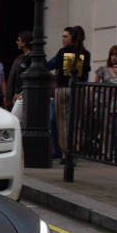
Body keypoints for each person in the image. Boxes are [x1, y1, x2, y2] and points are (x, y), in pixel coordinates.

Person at [48, 27, 91, 161]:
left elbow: (53, 64)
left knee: (62, 122)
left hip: (62, 88)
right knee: (76, 121)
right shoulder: (85, 53)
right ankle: (75, 150)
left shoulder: (63, 51)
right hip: (77, 89)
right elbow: (86, 72)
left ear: (71, 37)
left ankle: (65, 153)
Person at [5, 31, 34, 112]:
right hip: (19, 93)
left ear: (24, 42)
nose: (17, 42)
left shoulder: (31, 57)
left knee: (14, 118)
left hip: (24, 94)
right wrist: (15, 93)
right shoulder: (22, 58)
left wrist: (22, 92)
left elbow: (30, 77)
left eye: (19, 40)